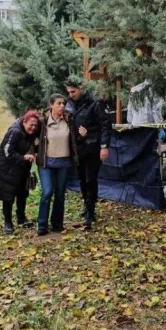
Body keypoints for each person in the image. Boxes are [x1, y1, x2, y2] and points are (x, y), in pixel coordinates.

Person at [64, 76, 112, 230]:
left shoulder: (96, 102)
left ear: (82, 89)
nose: (71, 94)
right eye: (69, 92)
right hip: (78, 150)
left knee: (91, 179)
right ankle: (86, 205)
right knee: (81, 180)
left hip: (93, 148)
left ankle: (91, 211)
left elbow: (105, 125)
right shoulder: (70, 103)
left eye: (73, 91)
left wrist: (104, 146)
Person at [0, 110, 41, 235]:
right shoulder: (15, 132)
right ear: (24, 122)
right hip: (7, 169)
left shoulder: (32, 133)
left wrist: (35, 149)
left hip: (22, 169)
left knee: (22, 193)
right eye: (31, 125)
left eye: (35, 126)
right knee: (8, 195)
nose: (33, 128)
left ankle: (21, 218)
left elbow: (35, 145)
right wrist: (23, 157)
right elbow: (7, 152)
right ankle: (8, 222)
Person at [36, 94, 78, 236]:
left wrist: (83, 135)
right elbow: (33, 138)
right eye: (59, 103)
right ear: (51, 105)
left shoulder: (69, 120)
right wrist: (33, 150)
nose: (62, 106)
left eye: (64, 104)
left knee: (60, 194)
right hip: (46, 162)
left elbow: (74, 138)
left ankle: (57, 224)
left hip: (64, 163)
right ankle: (42, 225)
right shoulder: (42, 121)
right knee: (47, 192)